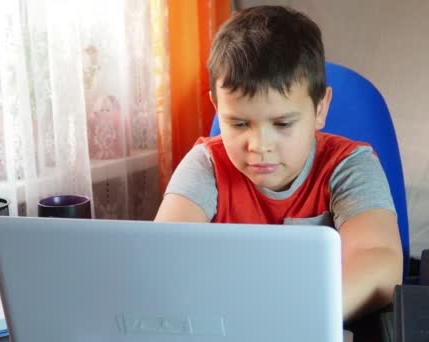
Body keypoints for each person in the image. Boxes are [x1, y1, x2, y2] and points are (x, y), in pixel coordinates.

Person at [155, 5, 402, 322]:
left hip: (316, 320)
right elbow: (163, 259)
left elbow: (380, 262)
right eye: (240, 124)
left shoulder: (350, 165)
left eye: (283, 124)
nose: (259, 147)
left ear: (320, 109)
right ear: (217, 107)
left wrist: (288, 316)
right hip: (226, 323)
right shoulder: (206, 165)